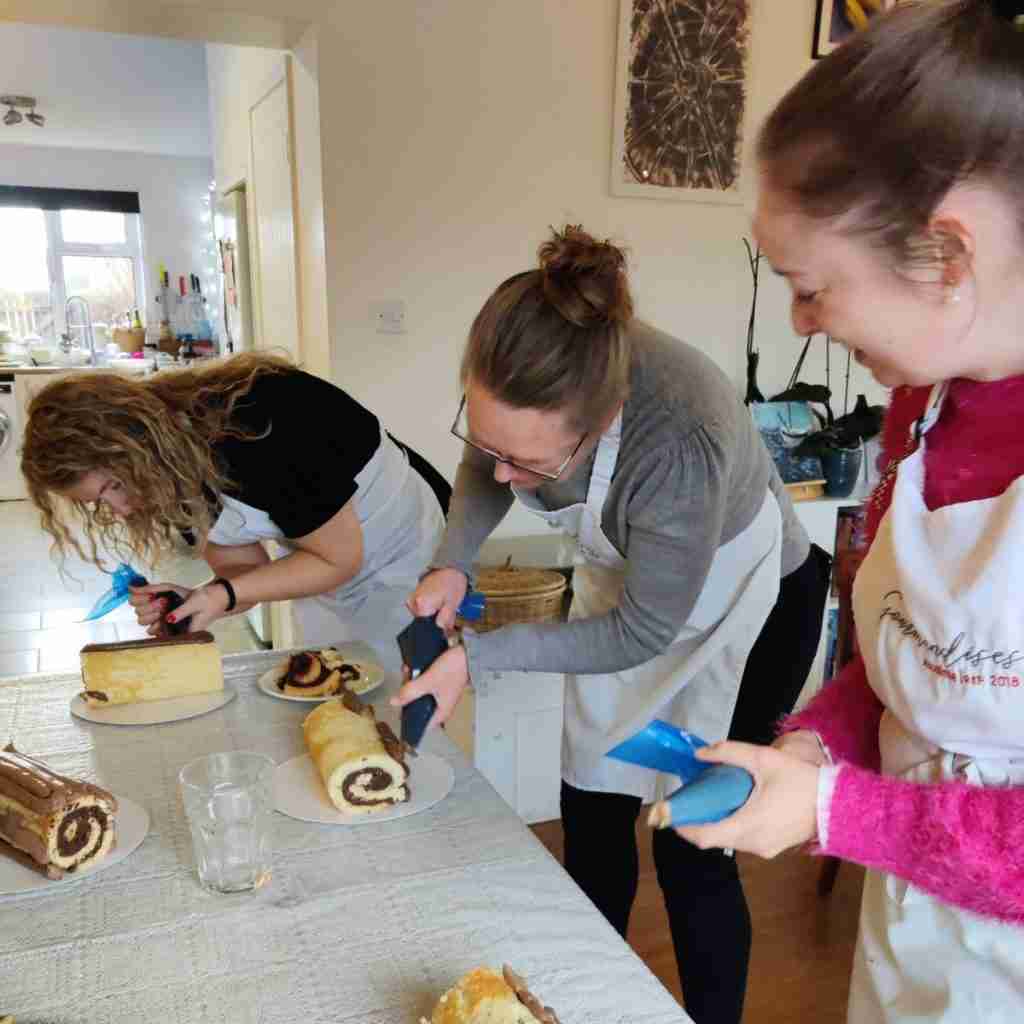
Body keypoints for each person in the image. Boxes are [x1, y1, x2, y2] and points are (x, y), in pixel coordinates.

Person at [674, 3, 1024, 1022]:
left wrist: (833, 807)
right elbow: (897, 652)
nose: (798, 321)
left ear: (944, 258)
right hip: (915, 933)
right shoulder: (922, 402)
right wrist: (814, 747)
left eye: (810, 286)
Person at [395, 225, 830, 1023]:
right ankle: (579, 1006)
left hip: (748, 607)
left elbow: (639, 636)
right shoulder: (535, 379)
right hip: (635, 591)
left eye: (531, 466)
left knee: (692, 845)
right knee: (593, 812)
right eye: (491, 444)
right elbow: (490, 462)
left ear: (602, 421)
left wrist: (477, 658)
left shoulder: (678, 440)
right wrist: (453, 559)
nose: (505, 475)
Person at [20, 353, 449, 673]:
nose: (122, 508)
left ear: (136, 443)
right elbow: (247, 571)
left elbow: (339, 559)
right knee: (342, 681)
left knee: (411, 694)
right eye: (98, 502)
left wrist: (222, 594)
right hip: (328, 565)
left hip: (407, 550)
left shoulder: (263, 428)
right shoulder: (170, 471)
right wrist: (199, 601)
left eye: (114, 485)